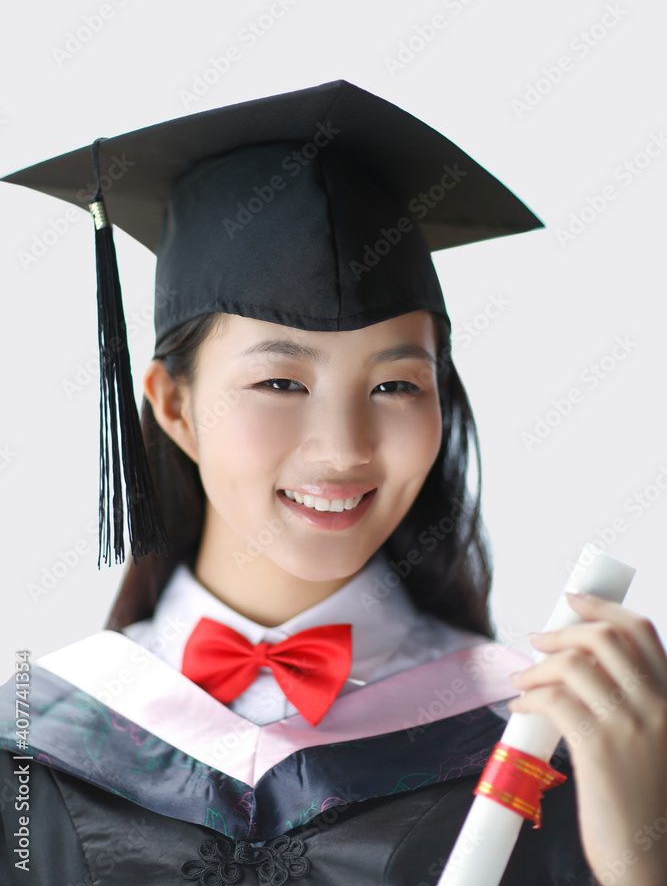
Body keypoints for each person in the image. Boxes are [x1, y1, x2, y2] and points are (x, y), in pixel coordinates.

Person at [0, 80, 665, 886]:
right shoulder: (34, 745)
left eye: (395, 387)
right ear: (173, 407)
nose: (343, 449)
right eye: (279, 385)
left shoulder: (544, 745)